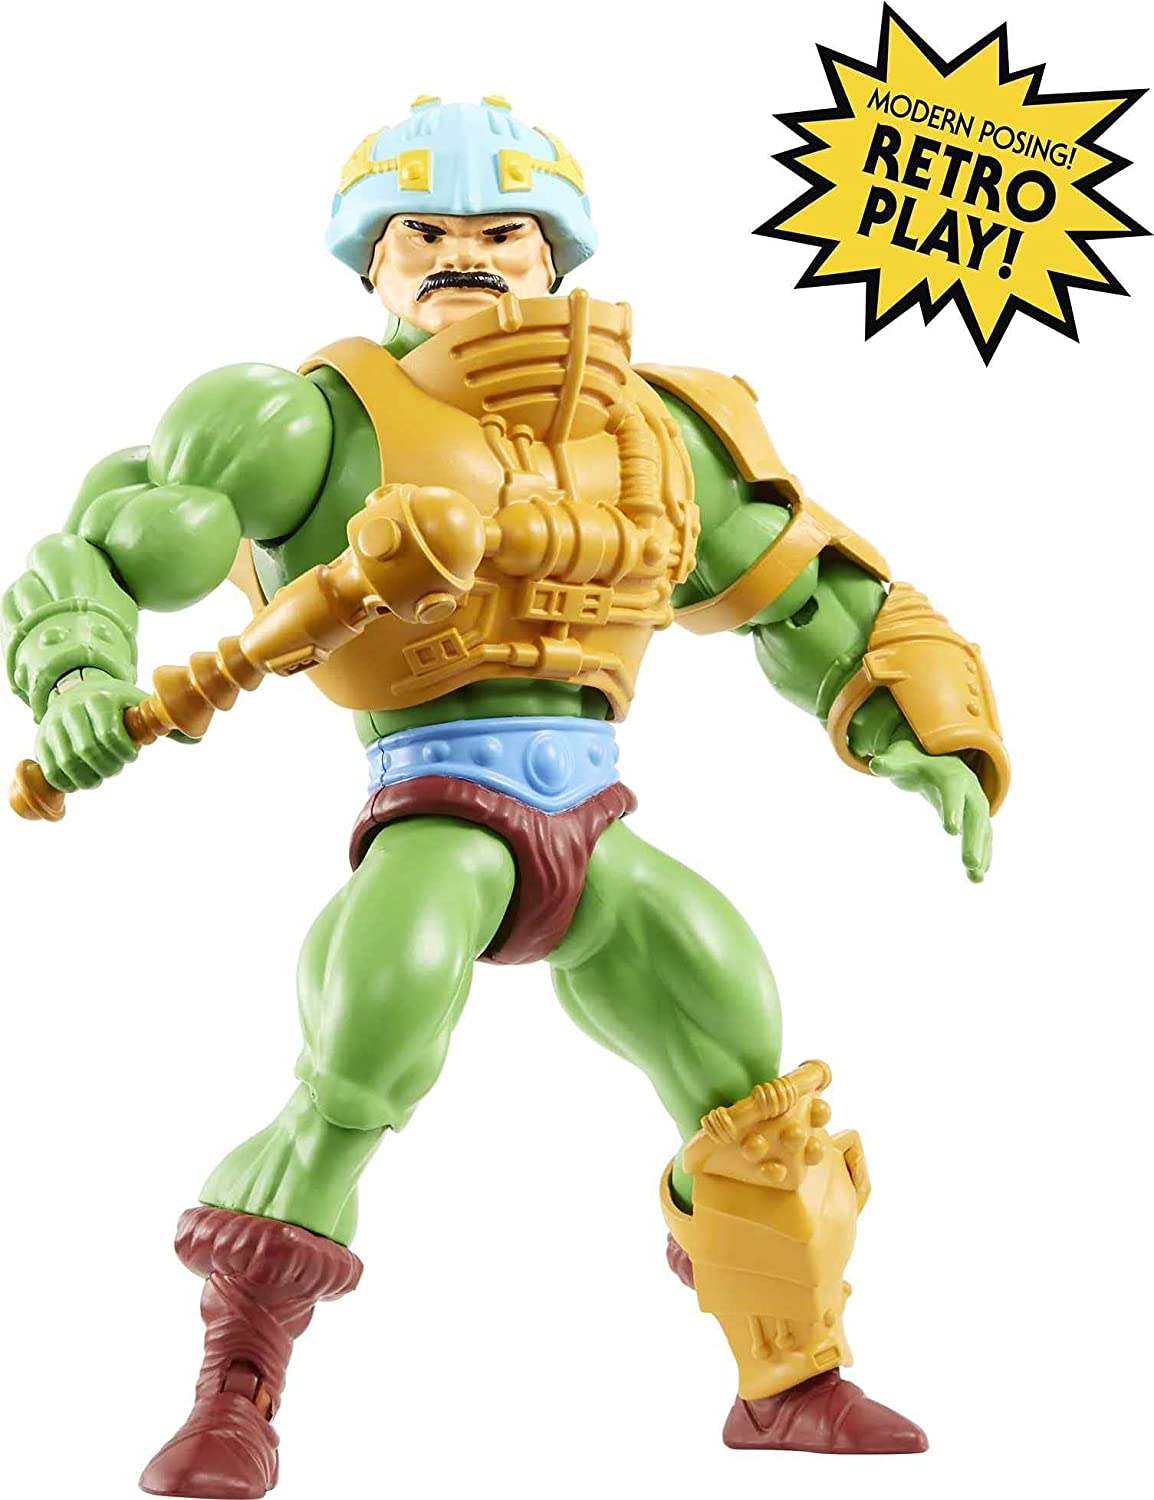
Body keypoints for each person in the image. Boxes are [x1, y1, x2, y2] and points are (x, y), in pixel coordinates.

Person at [2, 96, 1008, 1497]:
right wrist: (78, 678)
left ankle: (790, 1378)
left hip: (595, 818)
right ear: (372, 261)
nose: (463, 255)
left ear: (555, 257)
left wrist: (919, 729)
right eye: (422, 232)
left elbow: (811, 591)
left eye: (502, 232)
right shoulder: (304, 420)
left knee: (747, 1067)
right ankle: (235, 1390)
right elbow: (115, 543)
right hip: (436, 809)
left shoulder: (658, 425)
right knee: (362, 1068)